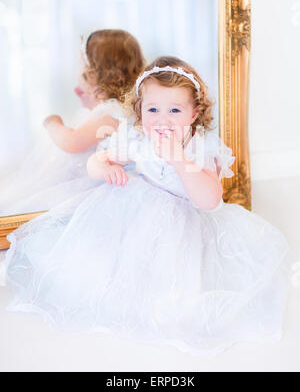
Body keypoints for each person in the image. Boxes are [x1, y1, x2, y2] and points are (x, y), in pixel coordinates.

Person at [5, 56, 291, 358]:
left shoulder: (201, 147)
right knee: (101, 266)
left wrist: (179, 158)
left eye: (175, 110)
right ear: (140, 110)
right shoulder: (139, 139)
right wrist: (103, 168)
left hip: (185, 224)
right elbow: (98, 160)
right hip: (136, 213)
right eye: (153, 109)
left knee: (174, 295)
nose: (162, 119)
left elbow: (209, 201)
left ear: (194, 114)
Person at [0, 29, 145, 215]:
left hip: (94, 183)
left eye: (80, 67)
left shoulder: (109, 113)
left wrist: (53, 124)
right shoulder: (123, 109)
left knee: (33, 198)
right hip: (104, 176)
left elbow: (71, 142)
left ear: (92, 74)